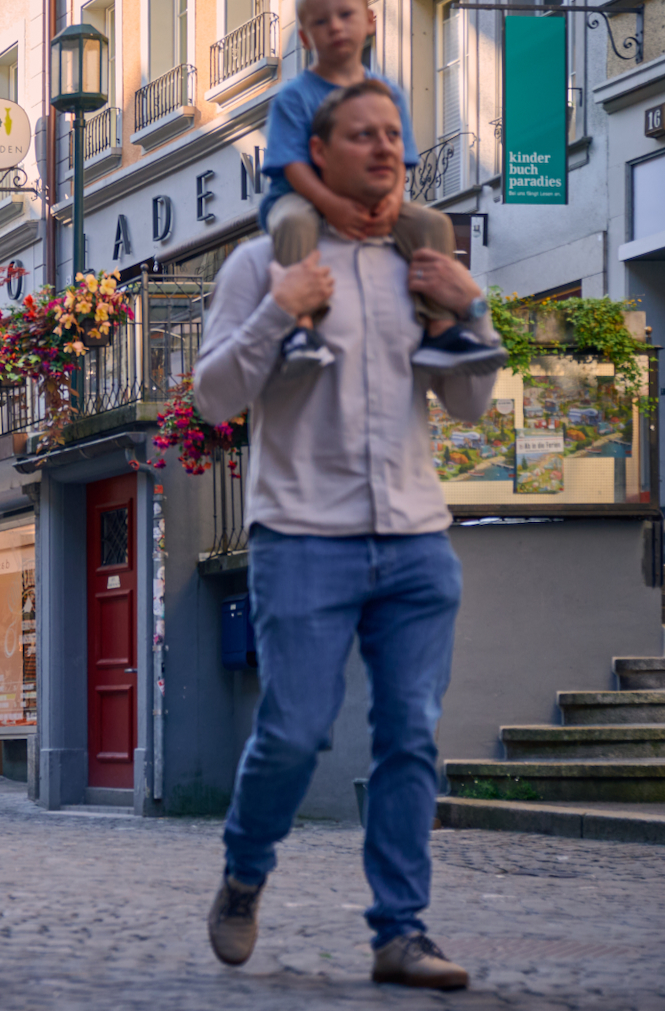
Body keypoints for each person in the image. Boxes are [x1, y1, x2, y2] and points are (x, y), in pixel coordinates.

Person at [194, 78, 499, 991]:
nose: (385, 150)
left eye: (395, 135)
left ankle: (399, 931)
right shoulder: (260, 264)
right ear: (317, 156)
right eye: (363, 135)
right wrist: (280, 309)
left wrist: (469, 306)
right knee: (293, 732)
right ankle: (246, 870)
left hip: (414, 539)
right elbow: (214, 395)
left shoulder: (423, 263)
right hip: (302, 535)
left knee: (410, 736)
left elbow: (472, 404)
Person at [260, 0, 503, 378]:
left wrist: (392, 203)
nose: (335, 27)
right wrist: (332, 205)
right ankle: (301, 330)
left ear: (370, 21)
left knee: (431, 224)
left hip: (372, 197)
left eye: (346, 15)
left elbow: (400, 160)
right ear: (304, 37)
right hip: (301, 195)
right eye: (321, 21)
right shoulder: (293, 97)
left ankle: (439, 326)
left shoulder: (388, 93)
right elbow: (293, 165)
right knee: (293, 224)